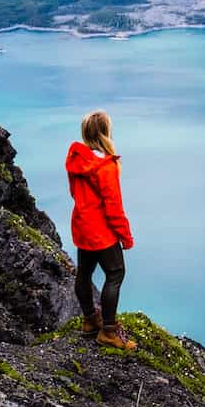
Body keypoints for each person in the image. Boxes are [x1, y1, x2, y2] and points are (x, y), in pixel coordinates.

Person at [65, 109, 138, 350]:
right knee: (116, 274)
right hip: (102, 231)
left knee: (84, 274)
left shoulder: (76, 159)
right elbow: (114, 207)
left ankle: (89, 319)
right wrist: (125, 237)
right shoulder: (106, 167)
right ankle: (108, 330)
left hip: (82, 225)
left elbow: (74, 193)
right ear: (106, 132)